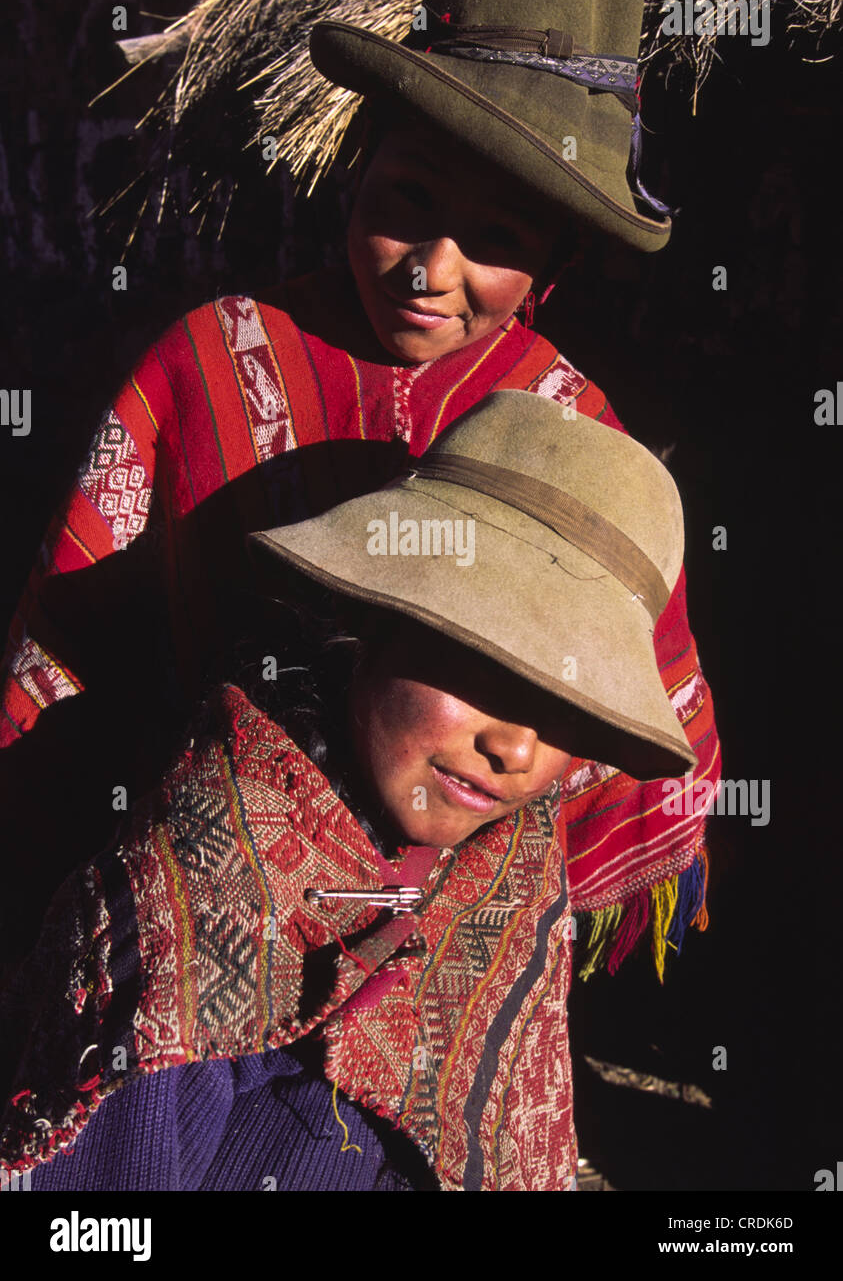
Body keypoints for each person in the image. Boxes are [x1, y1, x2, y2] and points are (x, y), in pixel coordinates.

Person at [0, 0, 719, 984]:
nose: (432, 267)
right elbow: (74, 648)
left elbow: (627, 710)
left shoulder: (576, 439)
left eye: (498, 240)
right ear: (358, 164)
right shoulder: (205, 366)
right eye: (410, 201)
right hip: (202, 904)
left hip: (447, 945)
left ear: (554, 268)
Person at [0, 391, 710, 1192]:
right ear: (368, 620)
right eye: (482, 668)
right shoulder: (185, 923)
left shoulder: (517, 880)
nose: (513, 748)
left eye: (568, 712)